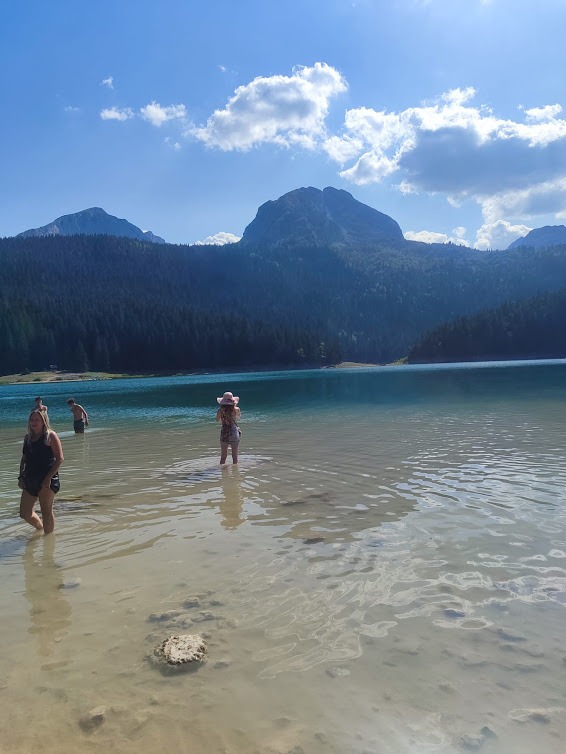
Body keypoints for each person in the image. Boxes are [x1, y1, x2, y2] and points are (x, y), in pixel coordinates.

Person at [18, 409, 64, 534]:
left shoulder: (50, 436)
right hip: (30, 479)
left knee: (46, 512)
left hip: (47, 479)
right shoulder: (28, 438)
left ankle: (48, 540)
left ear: (44, 421)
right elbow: (24, 459)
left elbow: (60, 459)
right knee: (24, 513)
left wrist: (48, 479)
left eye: (37, 420)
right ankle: (40, 529)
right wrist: (21, 477)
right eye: (32, 420)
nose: (34, 422)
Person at [215, 391, 242, 465]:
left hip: (224, 433)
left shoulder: (220, 410)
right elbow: (238, 417)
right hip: (234, 433)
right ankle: (235, 471)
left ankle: (222, 470)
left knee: (223, 456)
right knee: (235, 456)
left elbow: (217, 420)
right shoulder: (236, 409)